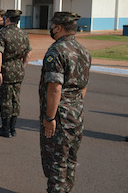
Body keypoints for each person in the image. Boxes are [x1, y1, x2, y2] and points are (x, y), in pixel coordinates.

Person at [39, 12, 91, 193]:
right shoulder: (83, 51)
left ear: (59, 27)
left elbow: (55, 88)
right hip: (76, 114)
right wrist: (73, 105)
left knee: (56, 164)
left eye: (52, 26)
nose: (51, 29)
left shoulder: (56, 51)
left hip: (59, 117)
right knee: (70, 161)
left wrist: (49, 117)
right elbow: (83, 86)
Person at [0, 9, 31, 138]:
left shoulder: (2, 34)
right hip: (18, 71)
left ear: (7, 19)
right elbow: (28, 53)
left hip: (6, 71)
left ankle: (5, 129)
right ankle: (13, 128)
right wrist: (22, 66)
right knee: (15, 99)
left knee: (5, 100)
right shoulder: (23, 34)